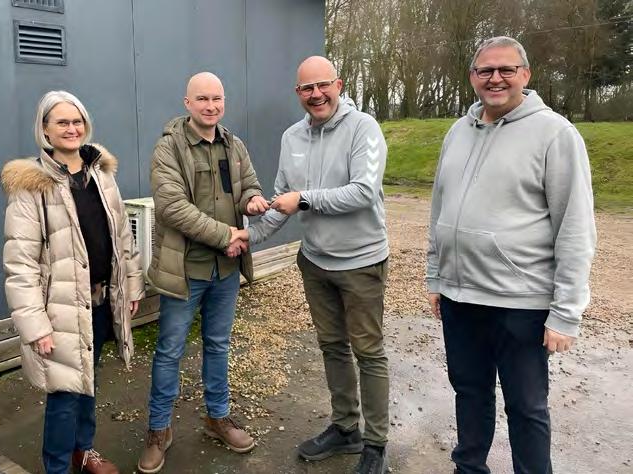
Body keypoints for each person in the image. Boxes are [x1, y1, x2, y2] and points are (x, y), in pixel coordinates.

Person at [426, 36, 596, 474]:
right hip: (461, 297)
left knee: (526, 407)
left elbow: (575, 227)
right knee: (469, 391)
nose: (495, 78)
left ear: (526, 74)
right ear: (472, 77)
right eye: (486, 70)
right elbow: (440, 209)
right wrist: (436, 276)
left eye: (506, 69)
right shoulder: (457, 131)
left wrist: (566, 312)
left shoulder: (555, 134)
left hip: (521, 303)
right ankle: (469, 468)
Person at [244, 56, 391, 474]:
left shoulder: (363, 128)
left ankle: (376, 444)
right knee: (332, 347)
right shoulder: (291, 137)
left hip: (361, 263)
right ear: (298, 93)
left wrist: (305, 199)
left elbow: (363, 191)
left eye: (323, 85)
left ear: (338, 85)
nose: (316, 94)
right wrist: (247, 237)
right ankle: (345, 428)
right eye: (307, 88)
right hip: (314, 262)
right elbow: (281, 201)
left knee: (369, 353)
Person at [1, 90, 145, 474]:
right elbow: (20, 264)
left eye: (77, 121)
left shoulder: (101, 175)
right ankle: (57, 467)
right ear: (45, 130)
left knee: (88, 382)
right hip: (59, 311)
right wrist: (36, 326)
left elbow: (122, 238)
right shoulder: (31, 186)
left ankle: (84, 451)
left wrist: (130, 287)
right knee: (64, 395)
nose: (71, 128)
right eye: (62, 122)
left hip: (99, 302)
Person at [137, 72, 268, 474]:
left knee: (218, 345)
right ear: (187, 103)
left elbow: (248, 185)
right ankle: (159, 430)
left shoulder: (234, 145)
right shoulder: (169, 148)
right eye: (203, 99)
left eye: (217, 98)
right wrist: (226, 235)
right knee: (170, 350)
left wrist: (253, 200)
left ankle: (217, 417)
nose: (211, 106)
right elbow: (172, 207)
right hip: (185, 270)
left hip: (225, 270)